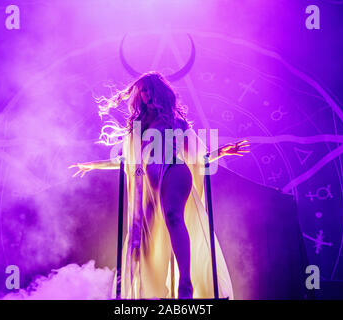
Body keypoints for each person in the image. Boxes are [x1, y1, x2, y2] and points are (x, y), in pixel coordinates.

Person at [69, 72, 249, 299]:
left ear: (160, 92)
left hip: (175, 171)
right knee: (145, 236)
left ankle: (185, 284)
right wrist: (94, 165)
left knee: (174, 217)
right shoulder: (138, 126)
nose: (145, 95)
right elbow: (127, 161)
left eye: (149, 90)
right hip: (149, 186)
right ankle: (152, 291)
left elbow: (198, 156)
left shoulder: (177, 122)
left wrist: (221, 152)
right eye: (142, 91)